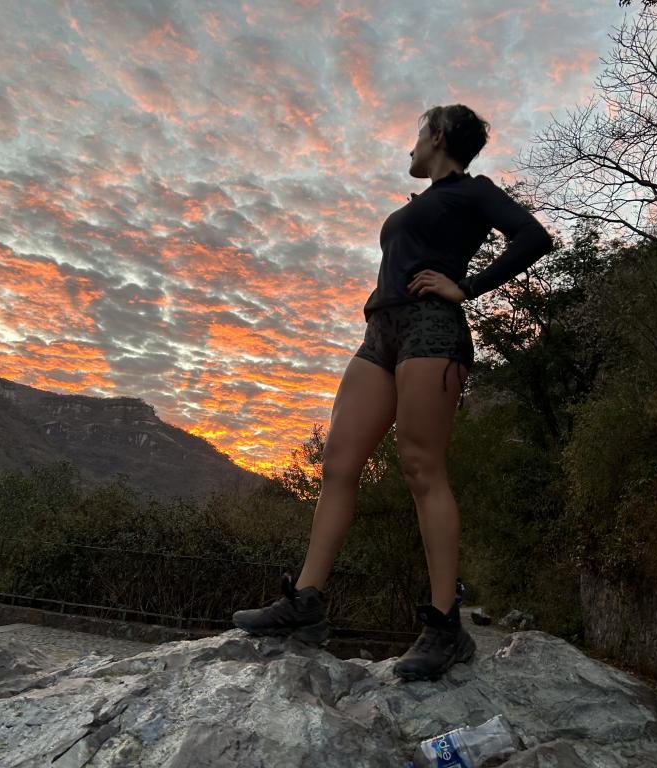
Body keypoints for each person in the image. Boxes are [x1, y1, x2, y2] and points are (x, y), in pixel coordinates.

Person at [232, 104, 554, 680]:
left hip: (432, 328)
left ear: (437, 136)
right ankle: (306, 603)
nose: (410, 147)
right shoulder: (424, 201)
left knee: (420, 467)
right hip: (380, 332)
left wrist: (466, 287)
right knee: (338, 463)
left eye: (417, 135)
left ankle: (445, 625)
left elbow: (534, 238)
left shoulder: (474, 191)